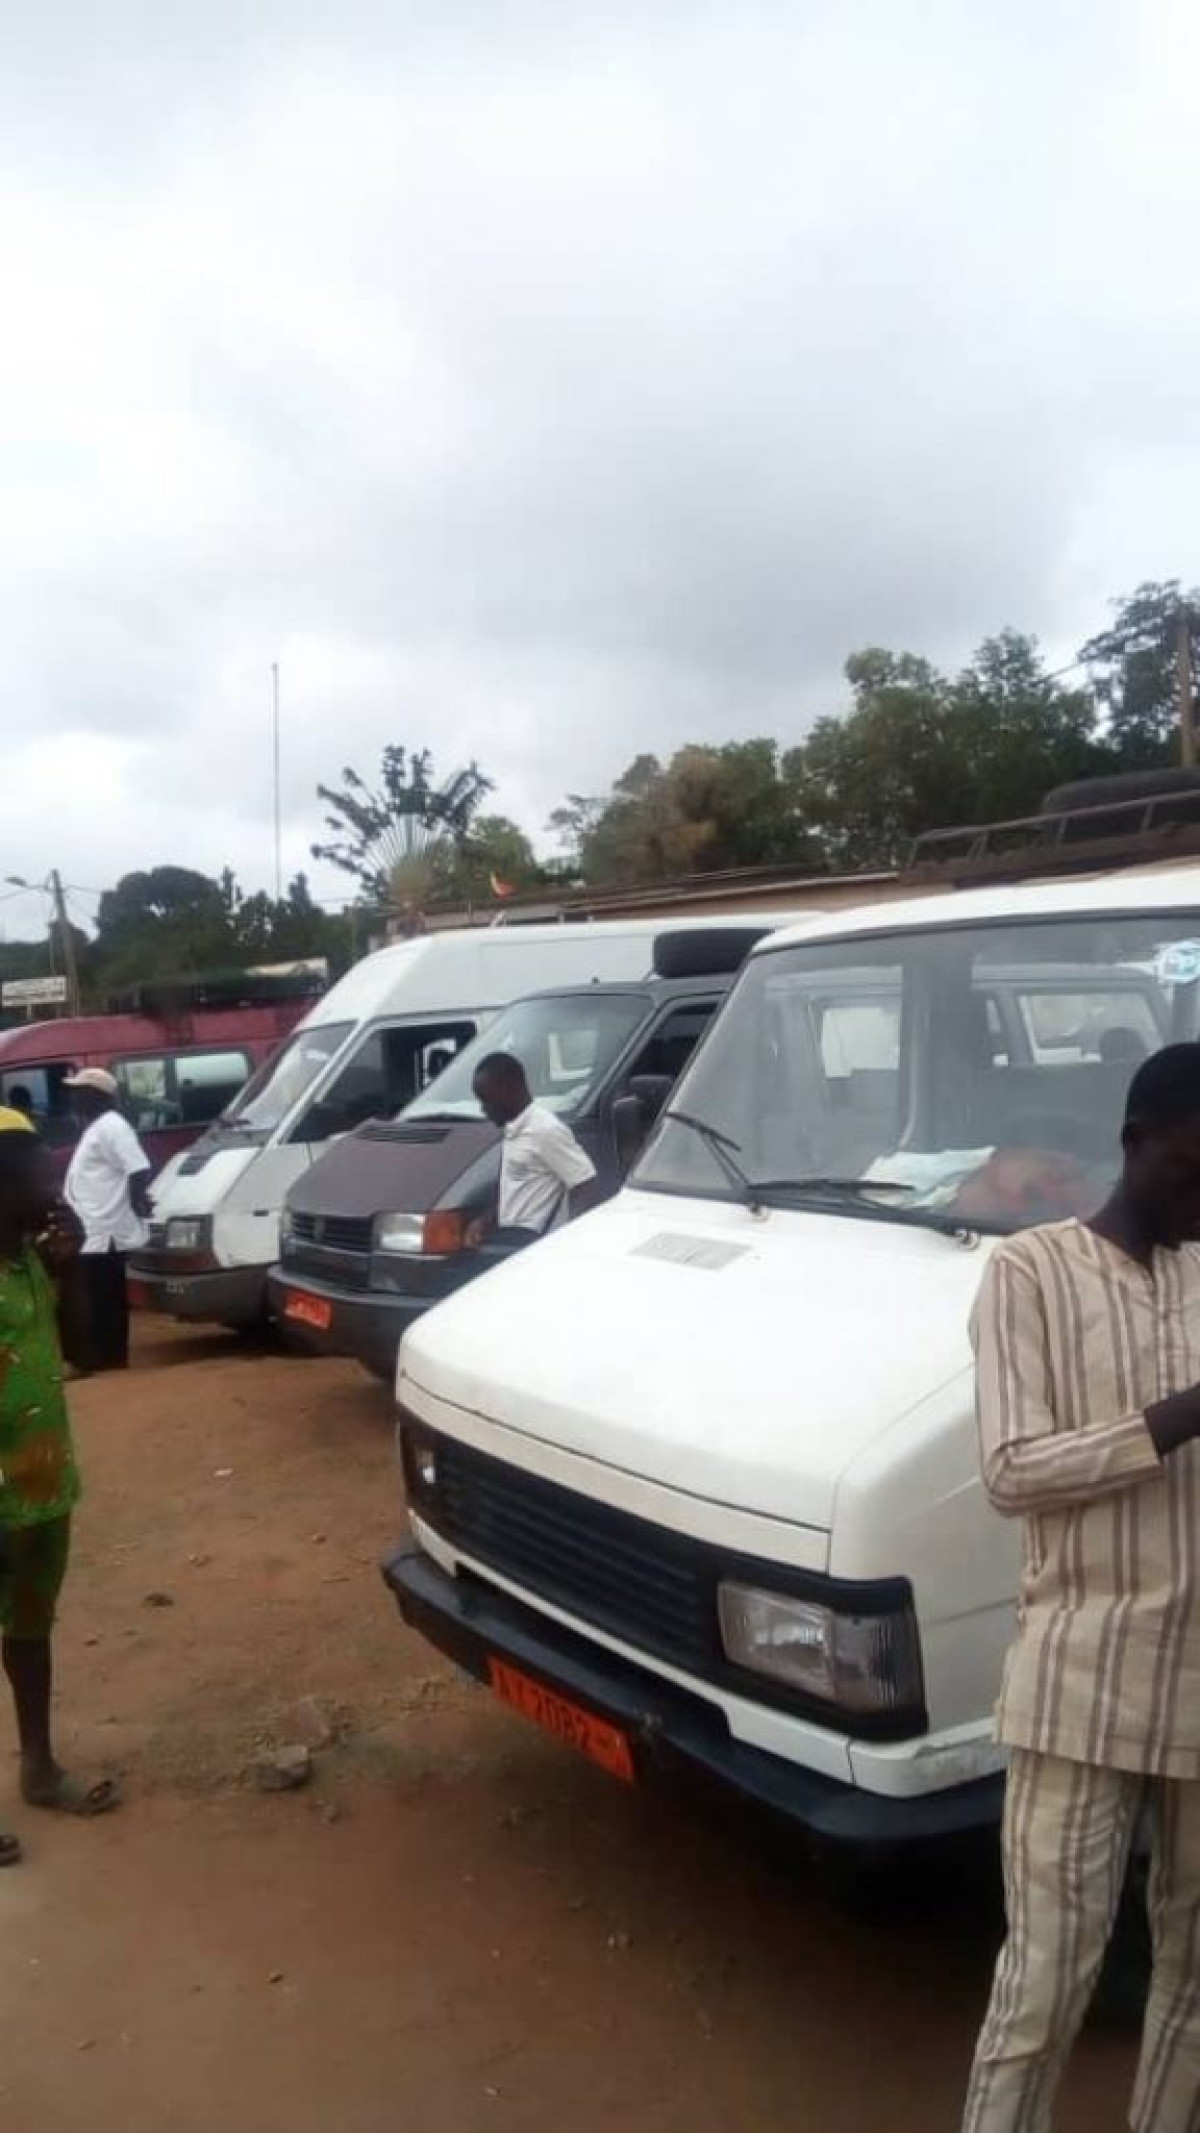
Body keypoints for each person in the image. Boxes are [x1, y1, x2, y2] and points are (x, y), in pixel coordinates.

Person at [962, 1043, 1200, 2132]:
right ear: (1137, 1144)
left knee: (1193, 1978)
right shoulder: (1031, 1272)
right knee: (1046, 1984)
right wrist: (1179, 1416)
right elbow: (1012, 1471)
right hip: (1080, 1682)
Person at [0, 1110, 118, 1856]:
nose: (52, 1184)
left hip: (46, 1493)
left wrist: (69, 1270)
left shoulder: (31, 1262)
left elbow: (83, 1351)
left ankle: (39, 1767)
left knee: (30, 1630)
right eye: (34, 1172)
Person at [62, 1069, 152, 1373]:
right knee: (103, 1295)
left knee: (99, 1296)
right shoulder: (98, 1126)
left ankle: (104, 1358)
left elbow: (138, 1169)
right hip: (94, 1228)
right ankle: (108, 1356)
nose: (73, 1097)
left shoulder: (113, 1127)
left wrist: (135, 1206)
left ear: (97, 1095)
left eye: (79, 1091)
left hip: (103, 1229)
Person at [471, 1052, 598, 1246]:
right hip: (509, 1239)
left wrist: (569, 1241)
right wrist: (485, 1221)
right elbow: (517, 1194)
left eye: (486, 1100)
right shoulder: (513, 1130)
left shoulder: (546, 1130)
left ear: (507, 1090)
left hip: (533, 1243)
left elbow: (585, 1185)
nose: (483, 1109)